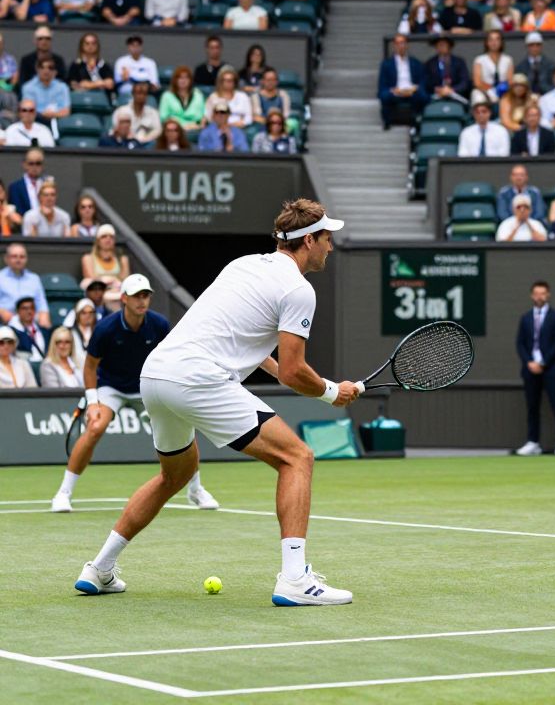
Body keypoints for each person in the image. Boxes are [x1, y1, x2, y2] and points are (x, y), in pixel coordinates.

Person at [73, 201, 359, 603]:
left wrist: (324, 385)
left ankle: (99, 568)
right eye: (327, 238)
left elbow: (252, 345)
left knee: (175, 474)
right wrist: (332, 392)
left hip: (156, 375)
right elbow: (296, 372)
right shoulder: (298, 290)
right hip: (198, 377)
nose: (331, 246)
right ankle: (295, 580)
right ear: (308, 240)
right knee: (297, 457)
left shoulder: (243, 266)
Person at [50, 275, 213, 513]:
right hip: (111, 387)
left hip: (146, 386)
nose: (142, 301)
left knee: (182, 428)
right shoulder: (105, 328)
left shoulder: (158, 324)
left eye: (145, 295)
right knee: (95, 427)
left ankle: (196, 490)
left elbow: (170, 360)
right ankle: (63, 493)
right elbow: (90, 367)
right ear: (124, 299)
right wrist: (93, 402)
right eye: (136, 296)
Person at [515, 280, 555, 456]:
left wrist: (543, 362)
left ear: (548, 295)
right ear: (532, 295)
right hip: (530, 369)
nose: (539, 296)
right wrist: (529, 362)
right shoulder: (525, 318)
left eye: (543, 293)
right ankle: (533, 442)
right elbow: (520, 343)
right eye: (536, 293)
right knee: (532, 406)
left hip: (551, 368)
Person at [21, 57, 71, 122]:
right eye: (42, 67)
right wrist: (44, 115)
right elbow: (28, 110)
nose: (46, 70)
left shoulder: (62, 87)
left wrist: (53, 114)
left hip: (58, 120)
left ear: (55, 72)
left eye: (50, 68)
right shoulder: (28, 87)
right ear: (37, 69)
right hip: (36, 121)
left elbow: (66, 112)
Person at [159, 66, 206, 131]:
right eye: (180, 78)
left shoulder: (198, 95)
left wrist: (196, 125)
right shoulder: (167, 96)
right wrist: (181, 126)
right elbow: (163, 117)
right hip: (173, 129)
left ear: (190, 80)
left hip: (194, 128)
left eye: (186, 78)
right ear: (175, 80)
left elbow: (202, 116)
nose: (183, 80)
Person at [115, 80, 162, 145]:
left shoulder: (153, 112)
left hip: (146, 145)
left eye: (144, 94)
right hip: (125, 144)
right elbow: (117, 130)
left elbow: (158, 130)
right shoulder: (122, 111)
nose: (141, 96)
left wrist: (145, 139)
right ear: (133, 94)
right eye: (138, 93)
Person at [472, 30, 513, 104]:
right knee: (477, 97)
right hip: (484, 91)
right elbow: (477, 82)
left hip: (503, 91)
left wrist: (500, 90)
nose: (494, 42)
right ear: (486, 43)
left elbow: (510, 81)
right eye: (491, 40)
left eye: (497, 39)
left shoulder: (508, 59)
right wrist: (492, 90)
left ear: (501, 42)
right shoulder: (479, 60)